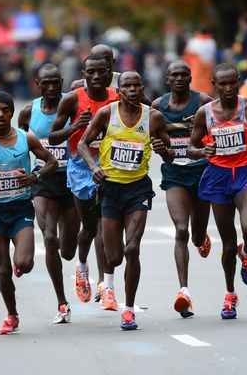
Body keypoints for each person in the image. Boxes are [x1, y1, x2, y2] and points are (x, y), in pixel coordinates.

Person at [78, 70, 174, 330]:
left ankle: (129, 310)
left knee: (132, 249)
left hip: (137, 189)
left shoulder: (153, 117)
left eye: (137, 85)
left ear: (142, 89)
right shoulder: (106, 114)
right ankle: (109, 280)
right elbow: (82, 145)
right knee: (115, 256)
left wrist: (164, 150)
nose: (132, 90)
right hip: (110, 188)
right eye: (127, 86)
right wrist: (93, 167)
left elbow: (170, 155)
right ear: (119, 91)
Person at [0, 91, 58, 335]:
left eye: (5, 110)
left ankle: (20, 264)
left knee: (24, 263)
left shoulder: (25, 138)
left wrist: (33, 177)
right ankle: (12, 314)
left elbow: (52, 162)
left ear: (11, 113)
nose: (0, 115)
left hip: (20, 209)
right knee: (3, 270)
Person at [187, 63, 247, 319]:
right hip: (218, 178)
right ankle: (230, 294)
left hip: (245, 173)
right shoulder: (205, 113)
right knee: (228, 244)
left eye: (232, 83)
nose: (228, 88)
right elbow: (191, 148)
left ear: (239, 82)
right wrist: (204, 151)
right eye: (222, 84)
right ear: (214, 85)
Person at [49, 54, 118, 310]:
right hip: (80, 166)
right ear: (84, 73)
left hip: (111, 166)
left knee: (105, 226)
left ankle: (106, 285)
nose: (97, 77)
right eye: (91, 72)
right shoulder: (72, 99)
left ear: (109, 73)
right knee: (89, 229)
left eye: (102, 72)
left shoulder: (116, 97)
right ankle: (81, 266)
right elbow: (54, 137)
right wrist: (75, 126)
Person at [18, 64, 80, 324]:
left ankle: (80, 268)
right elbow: (19, 144)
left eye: (56, 82)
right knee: (50, 238)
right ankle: (62, 303)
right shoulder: (28, 112)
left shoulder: (73, 106)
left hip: (72, 179)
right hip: (43, 181)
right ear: (37, 83)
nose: (52, 87)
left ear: (62, 81)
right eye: (47, 83)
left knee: (67, 250)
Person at [151, 60, 213, 318]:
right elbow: (160, 149)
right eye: (174, 75)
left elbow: (216, 132)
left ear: (190, 78)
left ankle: (202, 239)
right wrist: (162, 151)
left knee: (196, 235)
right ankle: (184, 292)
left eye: (183, 75)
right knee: (180, 230)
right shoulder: (157, 107)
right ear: (167, 79)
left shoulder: (203, 103)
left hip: (202, 173)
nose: (179, 79)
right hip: (175, 174)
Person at [183, 27, 217, 96]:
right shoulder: (212, 42)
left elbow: (187, 56)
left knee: (196, 92)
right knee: (208, 91)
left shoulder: (193, 42)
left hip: (196, 72)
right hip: (208, 72)